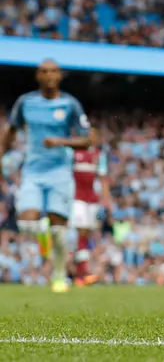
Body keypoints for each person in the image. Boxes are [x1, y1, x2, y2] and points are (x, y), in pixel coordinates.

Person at [0, 60, 95, 292]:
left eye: (53, 71)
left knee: (60, 231)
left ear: (60, 75)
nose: (49, 75)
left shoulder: (70, 104)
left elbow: (87, 139)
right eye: (44, 71)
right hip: (32, 171)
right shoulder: (26, 103)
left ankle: (60, 275)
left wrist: (61, 141)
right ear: (37, 76)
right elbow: (11, 131)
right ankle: (46, 245)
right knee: (26, 223)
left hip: (60, 172)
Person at [70, 144, 111, 286]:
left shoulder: (99, 155)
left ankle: (82, 272)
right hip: (77, 198)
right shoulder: (73, 152)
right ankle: (81, 271)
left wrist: (106, 199)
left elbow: (103, 177)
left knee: (87, 234)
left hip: (92, 200)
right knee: (81, 231)